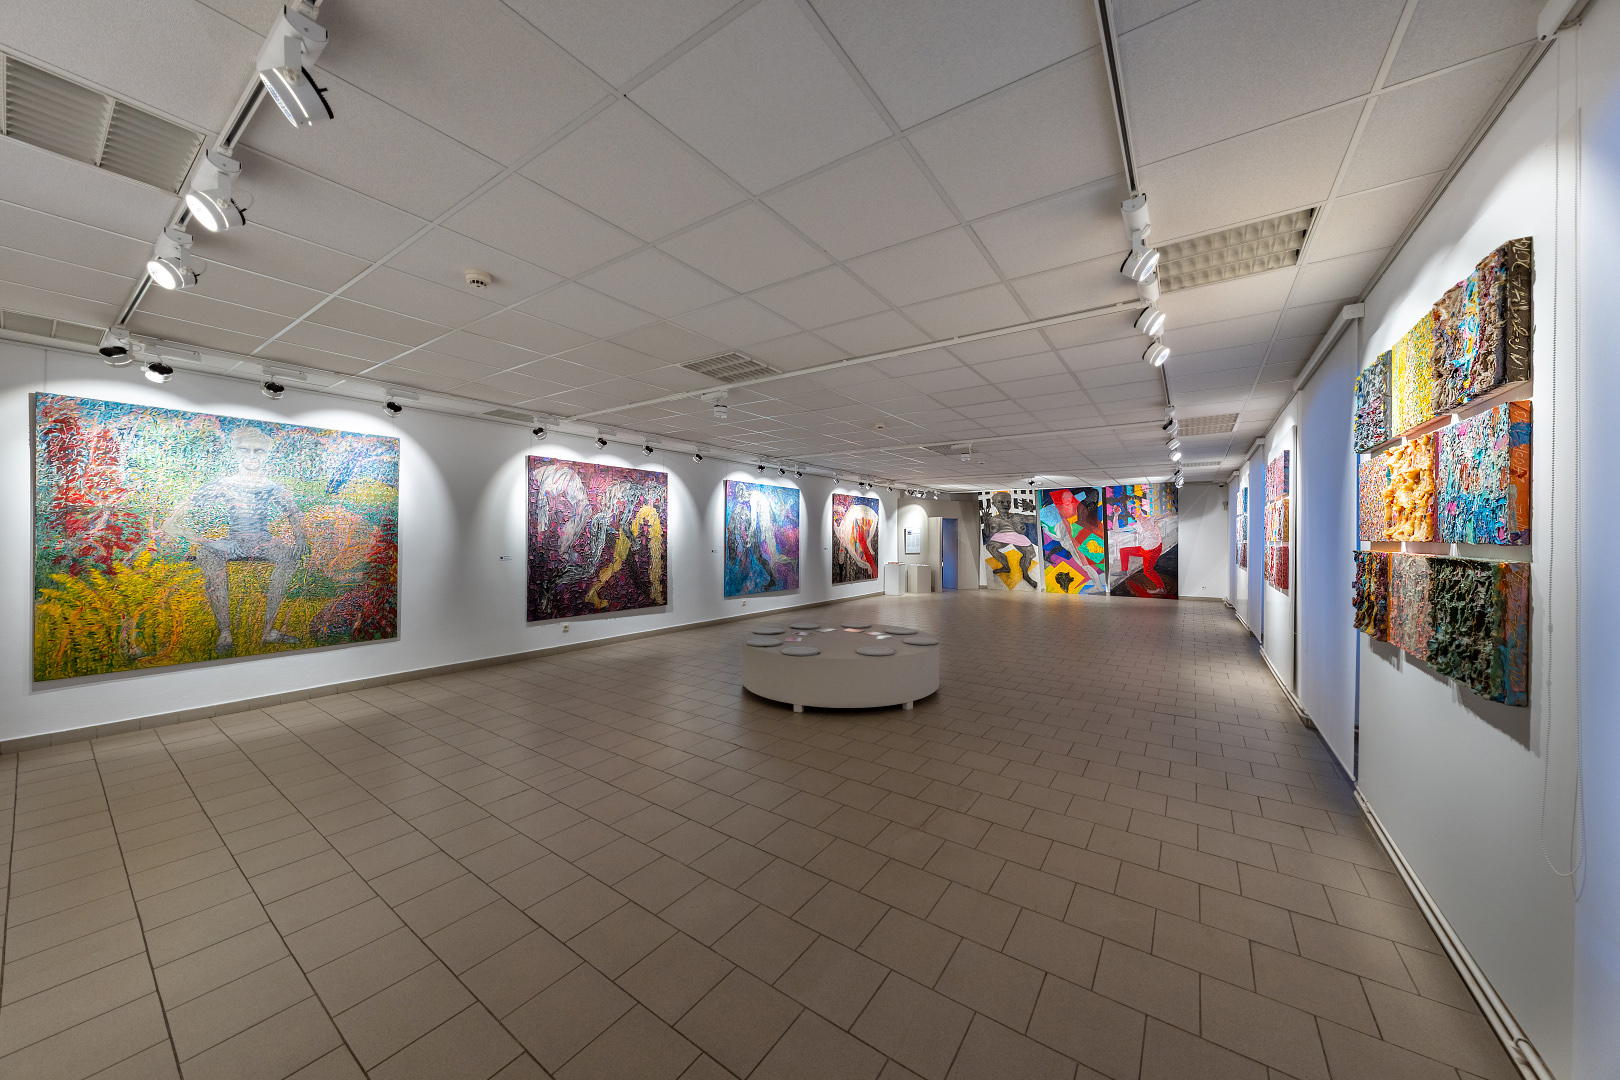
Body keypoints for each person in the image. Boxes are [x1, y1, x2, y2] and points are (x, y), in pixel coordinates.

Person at [161, 425, 306, 655]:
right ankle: (224, 631)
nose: (251, 456)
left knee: (290, 557)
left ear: (266, 454)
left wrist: (300, 539)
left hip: (263, 542)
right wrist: (202, 540)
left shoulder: (271, 487)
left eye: (258, 450)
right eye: (244, 450)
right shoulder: (224, 484)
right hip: (234, 543)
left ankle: (268, 630)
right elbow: (171, 523)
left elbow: (292, 513)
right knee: (206, 553)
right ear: (235, 452)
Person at [1115, 501, 1167, 591]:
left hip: (1153, 550)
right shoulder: (1136, 525)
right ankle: (1124, 572)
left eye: (1134, 508)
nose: (1132, 511)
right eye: (1131, 510)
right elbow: (1116, 529)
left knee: (1148, 571)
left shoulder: (1150, 519)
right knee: (1124, 551)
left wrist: (1172, 511)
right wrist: (1116, 515)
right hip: (1144, 549)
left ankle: (1162, 589)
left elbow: (1163, 516)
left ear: (1139, 509)